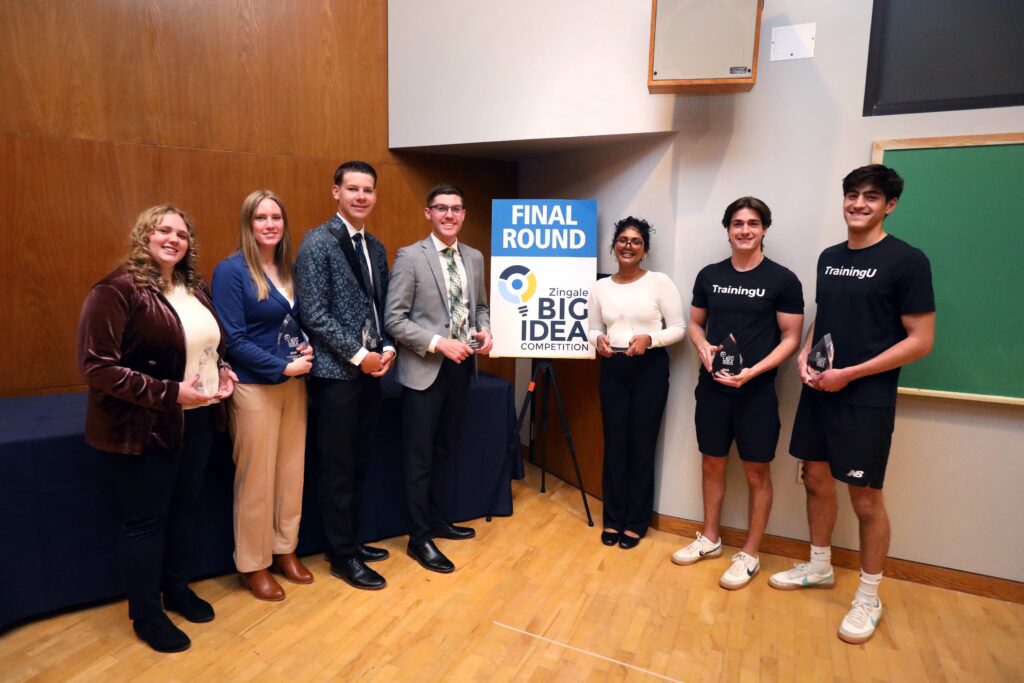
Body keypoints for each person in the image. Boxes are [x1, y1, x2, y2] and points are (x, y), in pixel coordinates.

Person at [769, 165, 935, 645]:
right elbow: (826, 314)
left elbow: (921, 340)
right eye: (852, 195)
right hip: (819, 391)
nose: (859, 204)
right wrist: (804, 354)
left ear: (890, 205)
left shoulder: (907, 260)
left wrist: (853, 374)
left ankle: (868, 595)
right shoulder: (829, 257)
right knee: (815, 480)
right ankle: (819, 567)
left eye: (871, 196)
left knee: (865, 500)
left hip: (866, 398)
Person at [77, 205, 236, 653]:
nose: (173, 239)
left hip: (199, 419)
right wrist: (169, 393)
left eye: (182, 234)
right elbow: (97, 368)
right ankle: (147, 614)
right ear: (144, 235)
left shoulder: (193, 288)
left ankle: (177, 590)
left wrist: (222, 369)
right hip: (144, 426)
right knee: (145, 522)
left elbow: (206, 346)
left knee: (185, 511)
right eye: (163, 230)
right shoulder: (116, 290)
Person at [670, 197, 804, 589]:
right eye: (738, 223)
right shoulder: (709, 275)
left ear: (764, 229)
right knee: (712, 462)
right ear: (727, 229)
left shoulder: (783, 280)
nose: (745, 230)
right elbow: (695, 324)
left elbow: (791, 337)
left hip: (757, 391)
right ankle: (710, 538)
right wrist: (702, 347)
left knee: (756, 471)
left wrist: (754, 372)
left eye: (753, 223)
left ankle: (750, 553)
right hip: (712, 389)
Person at [295, 161, 395, 590]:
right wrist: (359, 355)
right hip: (337, 375)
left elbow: (382, 306)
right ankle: (340, 556)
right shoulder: (317, 243)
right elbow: (313, 314)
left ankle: (351, 541)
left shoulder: (375, 246)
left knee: (358, 464)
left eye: (367, 190)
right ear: (335, 192)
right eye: (352, 189)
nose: (360, 197)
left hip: (372, 372)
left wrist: (386, 348)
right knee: (337, 468)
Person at [384, 183, 492, 573]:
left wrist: (486, 330)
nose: (450, 215)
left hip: (462, 368)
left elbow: (479, 307)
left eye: (457, 209)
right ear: (428, 213)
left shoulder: (475, 258)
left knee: (444, 450)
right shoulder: (410, 257)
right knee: (420, 457)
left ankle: (435, 519)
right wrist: (437, 343)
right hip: (424, 371)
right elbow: (393, 320)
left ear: (464, 214)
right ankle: (419, 538)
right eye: (441, 208)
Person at [212, 190, 314, 601]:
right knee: (256, 479)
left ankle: (284, 548)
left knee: (291, 472)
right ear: (248, 224)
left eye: (276, 217)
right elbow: (232, 339)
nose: (270, 224)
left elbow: (295, 322)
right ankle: (253, 564)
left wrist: (306, 346)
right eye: (260, 217)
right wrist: (280, 366)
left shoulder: (288, 269)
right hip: (254, 387)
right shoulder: (231, 271)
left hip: (295, 385)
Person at [587, 217, 685, 549]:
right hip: (613, 368)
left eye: (636, 242)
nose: (628, 246)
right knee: (614, 445)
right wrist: (597, 339)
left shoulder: (659, 283)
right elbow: (592, 326)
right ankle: (613, 519)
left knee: (642, 446)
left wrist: (650, 339)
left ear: (645, 250)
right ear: (614, 245)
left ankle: (636, 521)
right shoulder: (601, 287)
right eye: (623, 240)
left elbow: (679, 329)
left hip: (649, 369)